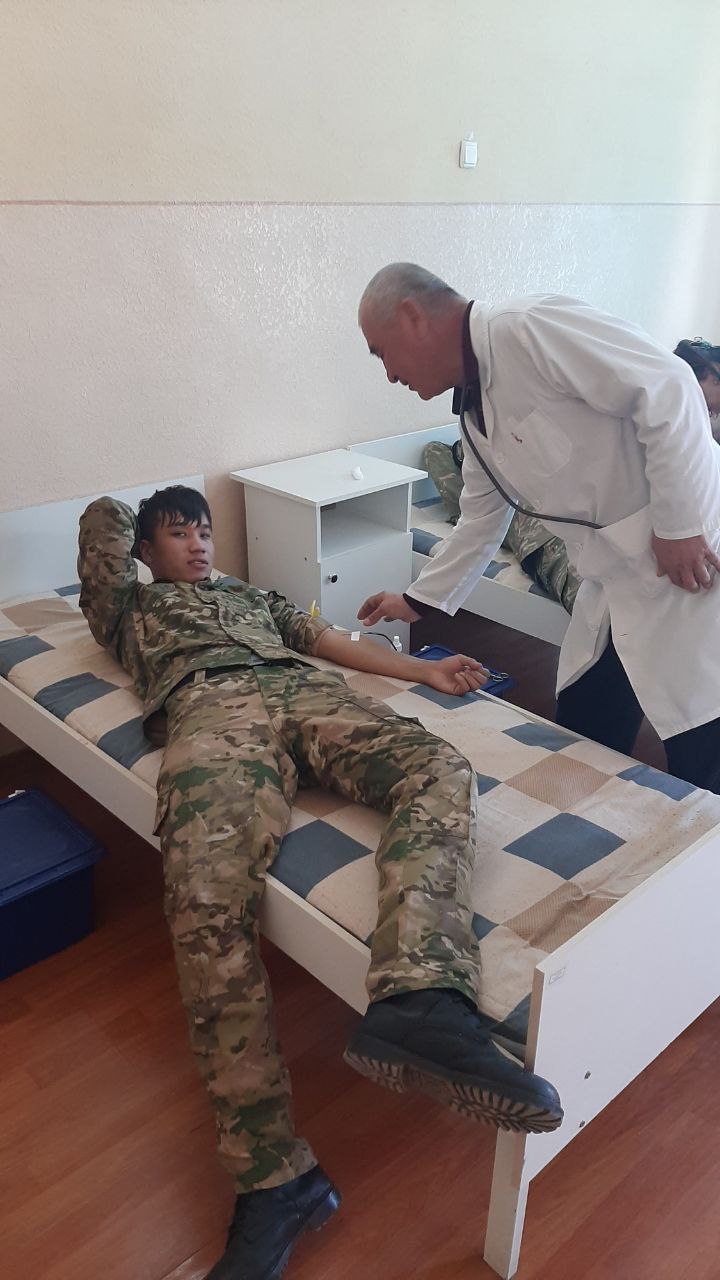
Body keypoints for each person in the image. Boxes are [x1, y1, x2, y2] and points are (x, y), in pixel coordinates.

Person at [78, 486, 562, 1280]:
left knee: (439, 766)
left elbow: (330, 639)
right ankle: (275, 1180)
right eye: (178, 533)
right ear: (144, 550)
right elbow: (101, 532)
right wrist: (130, 516)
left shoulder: (251, 596)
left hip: (306, 694)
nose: (199, 544)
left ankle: (421, 997)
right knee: (204, 900)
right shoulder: (128, 608)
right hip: (212, 714)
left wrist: (423, 670)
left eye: (204, 531)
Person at [357, 263, 720, 792]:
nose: (389, 375)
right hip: (615, 583)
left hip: (689, 565)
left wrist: (680, 526)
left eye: (381, 353)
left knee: (702, 746)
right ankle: (599, 828)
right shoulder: (473, 418)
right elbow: (481, 519)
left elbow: (670, 384)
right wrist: (416, 602)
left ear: (412, 316)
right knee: (583, 730)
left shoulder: (529, 328)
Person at [421, 336, 720, 616]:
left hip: (575, 526)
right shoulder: (650, 409)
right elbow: (481, 523)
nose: (708, 414)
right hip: (550, 528)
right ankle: (461, 460)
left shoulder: (682, 438)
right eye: (710, 406)